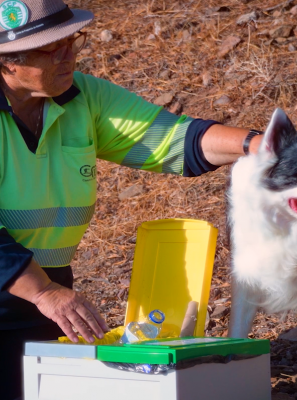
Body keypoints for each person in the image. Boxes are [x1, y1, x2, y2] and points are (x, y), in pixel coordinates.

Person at [0, 0, 264, 399]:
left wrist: (261, 146)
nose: (70, 56)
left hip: (44, 302)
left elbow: (172, 139)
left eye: (73, 41)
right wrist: (44, 292)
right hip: (36, 293)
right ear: (8, 61)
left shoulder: (81, 97)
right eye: (54, 49)